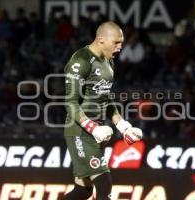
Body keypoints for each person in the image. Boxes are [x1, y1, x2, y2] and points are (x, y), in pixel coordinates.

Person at [61, 21, 143, 200]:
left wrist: (123, 126)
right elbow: (70, 102)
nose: (121, 47)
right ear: (101, 40)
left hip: (98, 131)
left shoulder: (109, 62)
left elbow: (106, 98)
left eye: (122, 42)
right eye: (117, 43)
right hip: (80, 131)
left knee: (83, 191)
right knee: (104, 185)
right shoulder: (81, 60)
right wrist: (92, 127)